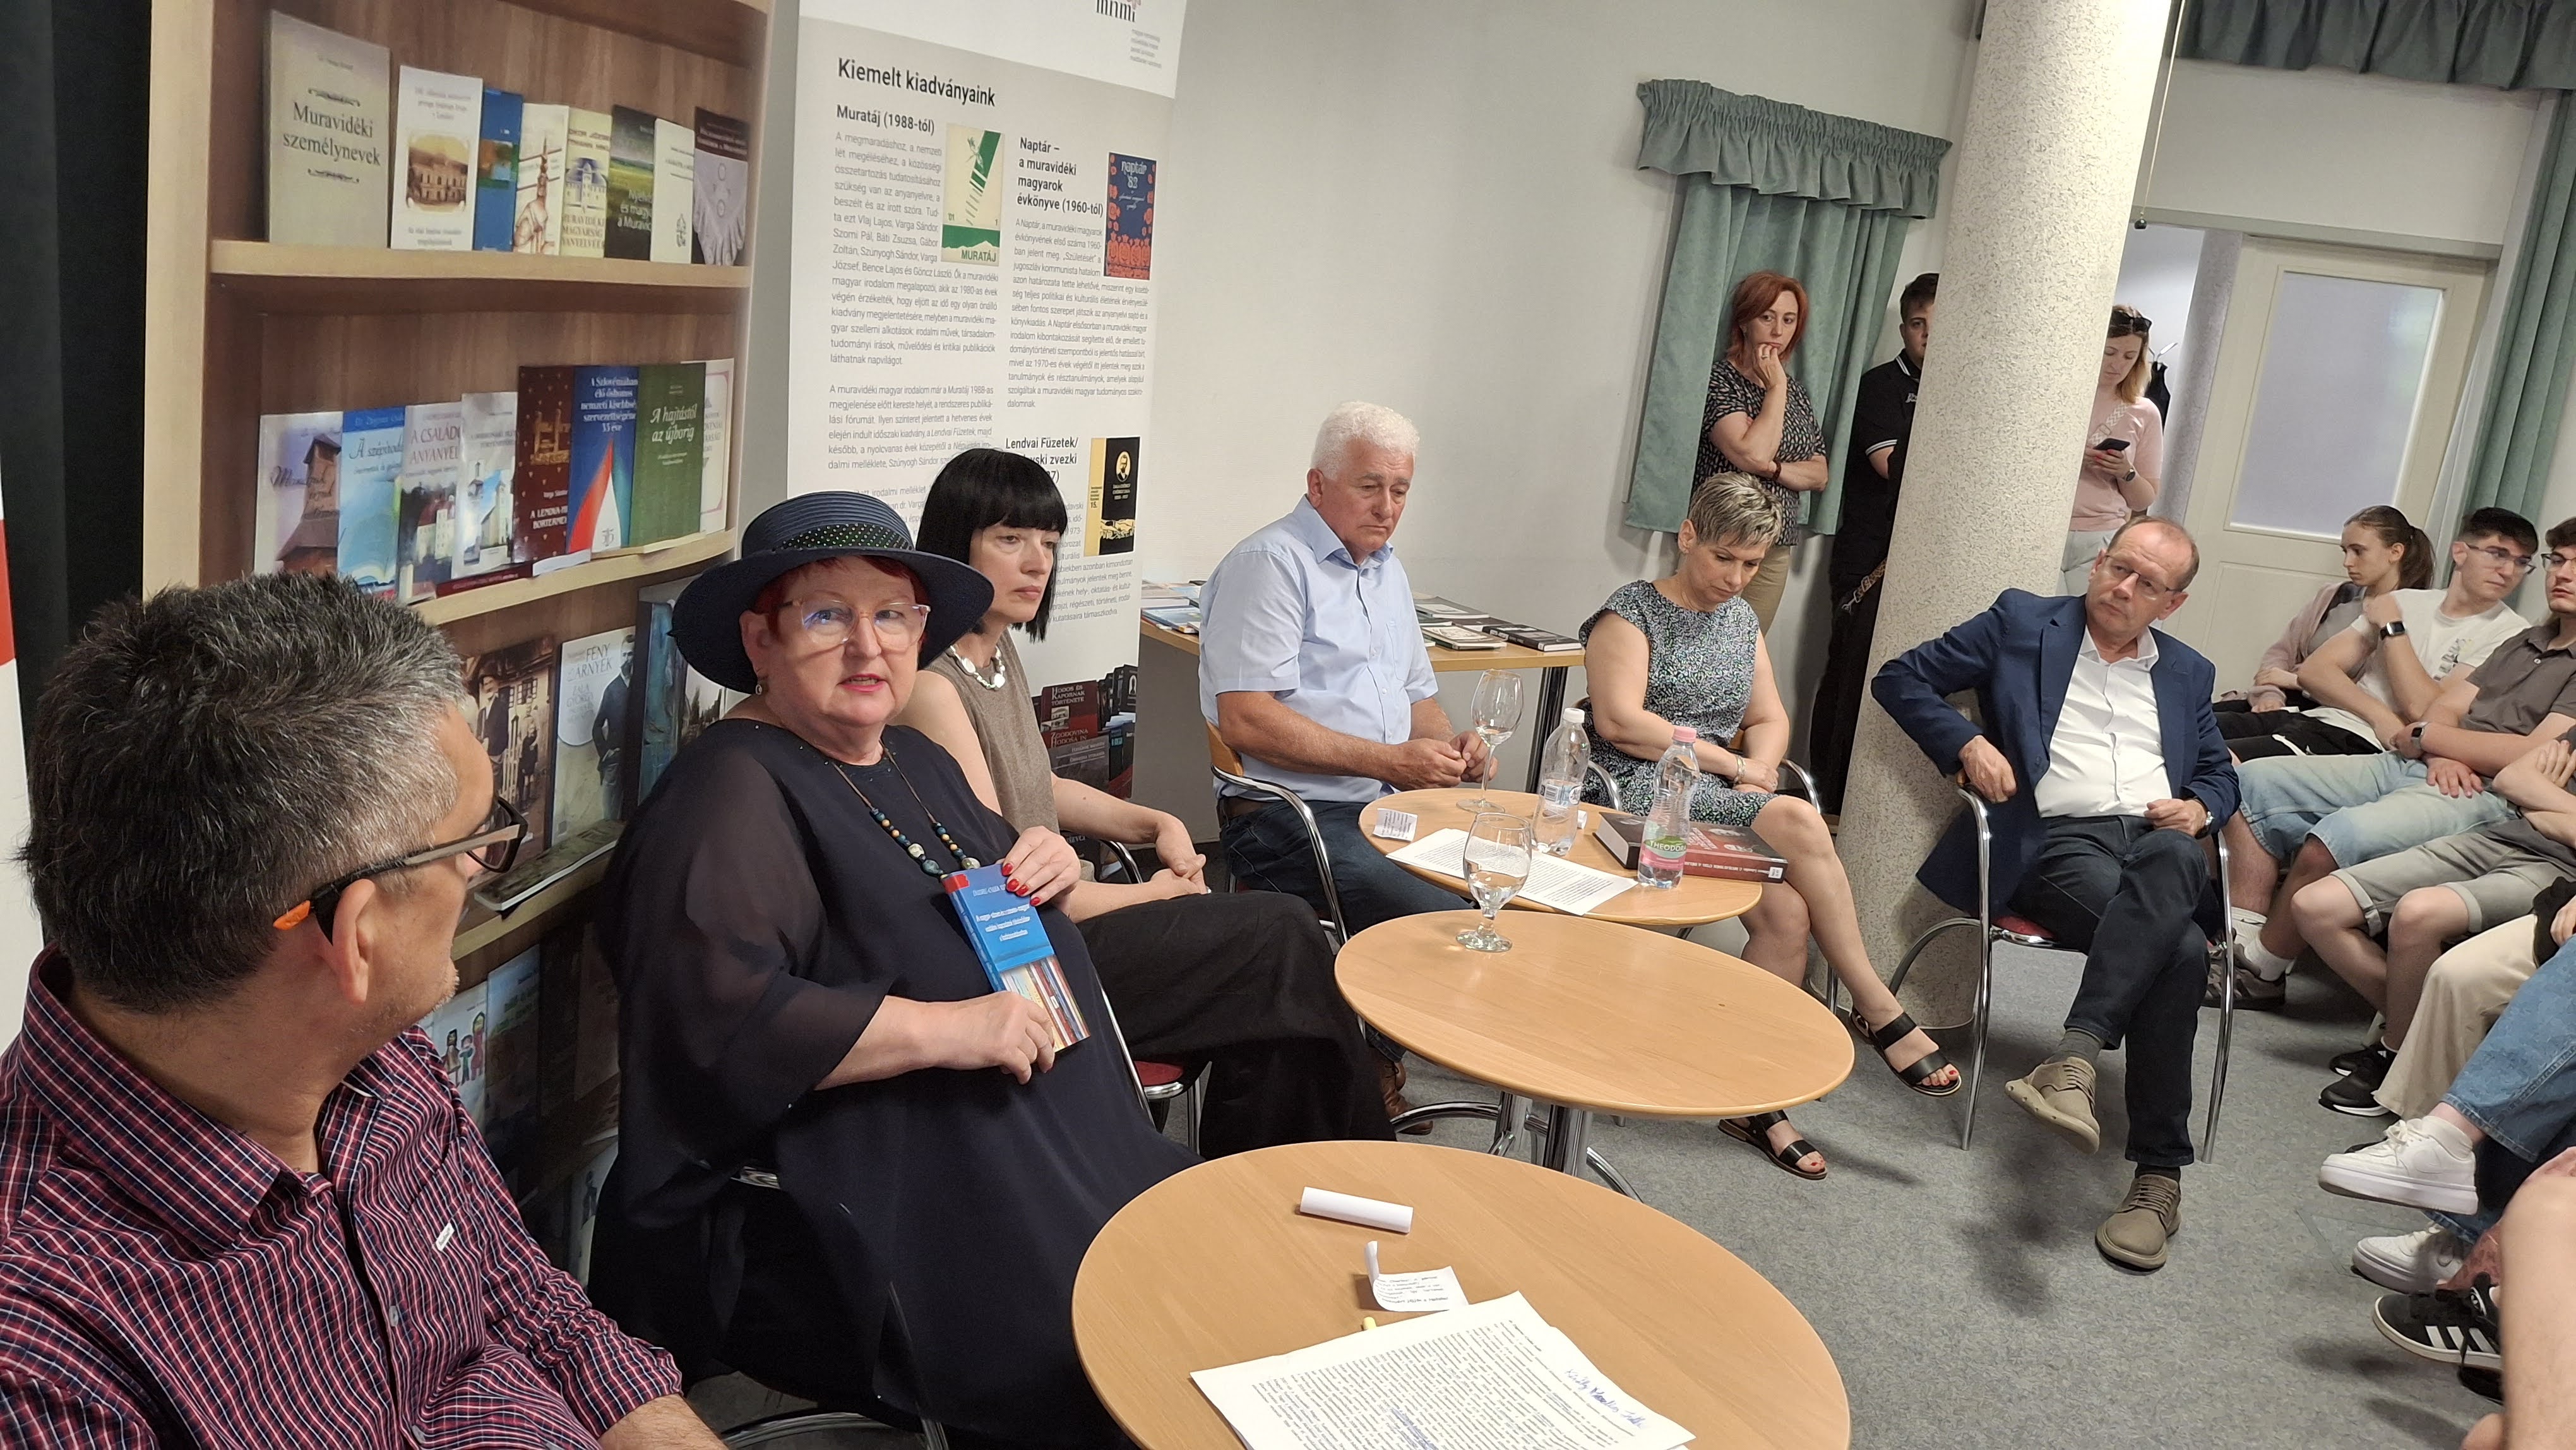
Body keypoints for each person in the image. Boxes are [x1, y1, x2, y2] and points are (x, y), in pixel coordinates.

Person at [0, 573, 716, 1446]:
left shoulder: (371, 1054)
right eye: (475, 838)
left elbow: (524, 1301)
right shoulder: (39, 1356)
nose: (478, 869)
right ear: (358, 935)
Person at [590, 491, 1193, 1446]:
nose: (868, 647)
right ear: (760, 639)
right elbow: (718, 1025)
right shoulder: (728, 794)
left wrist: (1039, 858)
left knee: (1181, 1294)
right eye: (827, 615)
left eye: (893, 615)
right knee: (1101, 1361)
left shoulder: (911, 755)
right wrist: (950, 1027)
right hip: (864, 1200)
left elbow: (982, 891)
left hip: (1050, 1138)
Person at [900, 446, 1395, 1147]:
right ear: (956, 547)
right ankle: (1343, 1162)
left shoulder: (994, 650)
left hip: (1064, 919)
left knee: (1280, 990)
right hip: (1028, 955)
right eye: (1010, 540)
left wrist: (1155, 821)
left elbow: (1036, 784)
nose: (1038, 564)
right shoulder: (933, 686)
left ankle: (1288, 1172)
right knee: (1283, 935)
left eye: (1049, 543)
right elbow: (1006, 887)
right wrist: (1154, 895)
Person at [1875, 517, 2237, 1271]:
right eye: (2118, 567)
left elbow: (2218, 773)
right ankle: (2159, 1178)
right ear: (2099, 562)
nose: (2123, 588)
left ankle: (2073, 1058)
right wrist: (1967, 743)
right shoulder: (2021, 621)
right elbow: (1900, 678)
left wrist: (2202, 807)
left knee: (2176, 857)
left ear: (2172, 603)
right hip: (2059, 843)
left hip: (2157, 844)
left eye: (2147, 583)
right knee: (2176, 952)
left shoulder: (2188, 671)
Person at [1584, 474, 1957, 1180]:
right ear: (1688, 536)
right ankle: (1875, 1004)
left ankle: (1757, 1100)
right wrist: (1735, 764)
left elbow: (1770, 717)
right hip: (1635, 797)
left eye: (1751, 563)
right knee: (1795, 815)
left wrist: (1756, 769)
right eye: (1723, 557)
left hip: (1710, 793)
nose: (1736, 577)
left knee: (1788, 916)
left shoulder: (1741, 622)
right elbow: (1621, 723)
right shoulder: (1629, 615)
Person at [2220, 512, 2566, 1018]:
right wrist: (2430, 741)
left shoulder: (2504, 629)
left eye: (2522, 562)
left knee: (2338, 835)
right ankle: (2239, 937)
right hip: (2414, 757)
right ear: (2461, 552)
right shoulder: (2526, 642)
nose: (2511, 570)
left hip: (2473, 786)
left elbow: (2516, 751)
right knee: (2244, 779)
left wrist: (2424, 720)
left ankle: (2261, 970)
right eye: (2557, 561)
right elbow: (2437, 708)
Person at [1198, 401, 1486, 937]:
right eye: (1369, 487)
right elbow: (1246, 720)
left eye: (1400, 491)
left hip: (1387, 806)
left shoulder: (1387, 570)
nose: (1386, 508)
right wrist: (1389, 762)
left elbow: (1416, 696)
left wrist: (1450, 753)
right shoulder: (1270, 565)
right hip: (1288, 817)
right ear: (1318, 485)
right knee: (1444, 923)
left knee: (1511, 877)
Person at [2293, 737, 2576, 1115]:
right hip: (2502, 836)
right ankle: (2419, 1045)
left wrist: (2543, 803)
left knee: (2418, 914)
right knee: (2316, 906)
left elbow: (2528, 793)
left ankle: (2396, 1054)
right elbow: (2512, 779)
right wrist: (2547, 810)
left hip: (2561, 872)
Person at [1810, 271, 1936, 815]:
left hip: (1927, 557)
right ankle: (1827, 799)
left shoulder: (1966, 396)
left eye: (1940, 324)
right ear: (1904, 329)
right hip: (1869, 555)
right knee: (1848, 674)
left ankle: (1870, 803)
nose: (1929, 335)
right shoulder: (1882, 385)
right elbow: (1892, 468)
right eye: (1918, 324)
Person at [2217, 505, 2443, 761]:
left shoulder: (2407, 618)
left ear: (2395, 552)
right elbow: (2281, 653)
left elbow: (2370, 690)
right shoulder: (2333, 596)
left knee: (2216, 751)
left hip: (2327, 715)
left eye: (2359, 551)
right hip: (2280, 700)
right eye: (2345, 551)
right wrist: (2270, 695)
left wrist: (2296, 681)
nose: (2348, 562)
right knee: (2195, 722)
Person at [1696, 270, 1829, 629]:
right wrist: (1775, 390)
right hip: (1724, 540)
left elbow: (1819, 474)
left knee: (1747, 647)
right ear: (1745, 322)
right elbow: (1751, 454)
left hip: (1774, 544)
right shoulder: (1722, 380)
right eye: (1767, 317)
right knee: (1699, 642)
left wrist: (1774, 470)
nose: (1777, 331)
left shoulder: (1796, 391)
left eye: (1789, 320)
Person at [2061, 306, 2163, 594]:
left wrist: (2125, 472)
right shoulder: (2059, 397)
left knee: (2087, 615)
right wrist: (2069, 459)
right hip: (2046, 526)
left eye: (2130, 357)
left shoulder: (2144, 412)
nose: (2118, 365)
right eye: (2110, 352)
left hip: (2102, 534)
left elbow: (2145, 498)